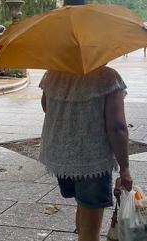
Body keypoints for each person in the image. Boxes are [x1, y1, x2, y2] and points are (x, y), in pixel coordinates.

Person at [39, 66, 132, 241]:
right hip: (92, 160)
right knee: (91, 227)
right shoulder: (108, 77)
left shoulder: (53, 74)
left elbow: (46, 107)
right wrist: (125, 169)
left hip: (61, 158)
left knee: (83, 204)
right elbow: (117, 127)